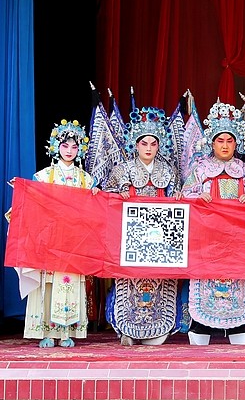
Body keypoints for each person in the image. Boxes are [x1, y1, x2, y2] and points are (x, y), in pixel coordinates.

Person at [101, 106, 182, 346]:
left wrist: (178, 197)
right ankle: (125, 327)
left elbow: (178, 199)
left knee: (159, 280)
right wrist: (117, 195)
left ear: (159, 146)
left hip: (161, 237)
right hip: (131, 237)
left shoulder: (169, 171)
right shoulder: (122, 170)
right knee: (129, 280)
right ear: (135, 145)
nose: (148, 148)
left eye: (153, 144)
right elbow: (106, 199)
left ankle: (158, 326)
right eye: (144, 143)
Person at [181, 101, 245, 345]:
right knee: (206, 277)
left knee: (238, 278)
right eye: (220, 141)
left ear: (236, 143)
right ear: (212, 143)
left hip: (237, 236)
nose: (225, 145)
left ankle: (238, 325)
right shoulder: (201, 169)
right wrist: (198, 197)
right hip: (207, 235)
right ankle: (202, 324)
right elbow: (184, 194)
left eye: (229, 141)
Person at [21, 120, 99, 348]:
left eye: (74, 147)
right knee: (48, 283)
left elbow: (91, 211)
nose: (69, 151)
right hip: (50, 239)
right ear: (56, 147)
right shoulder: (43, 176)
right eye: (65, 146)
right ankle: (46, 331)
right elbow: (34, 206)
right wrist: (23, 191)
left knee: (69, 283)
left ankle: (66, 332)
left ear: (80, 150)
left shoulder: (86, 179)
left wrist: (95, 195)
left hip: (74, 241)